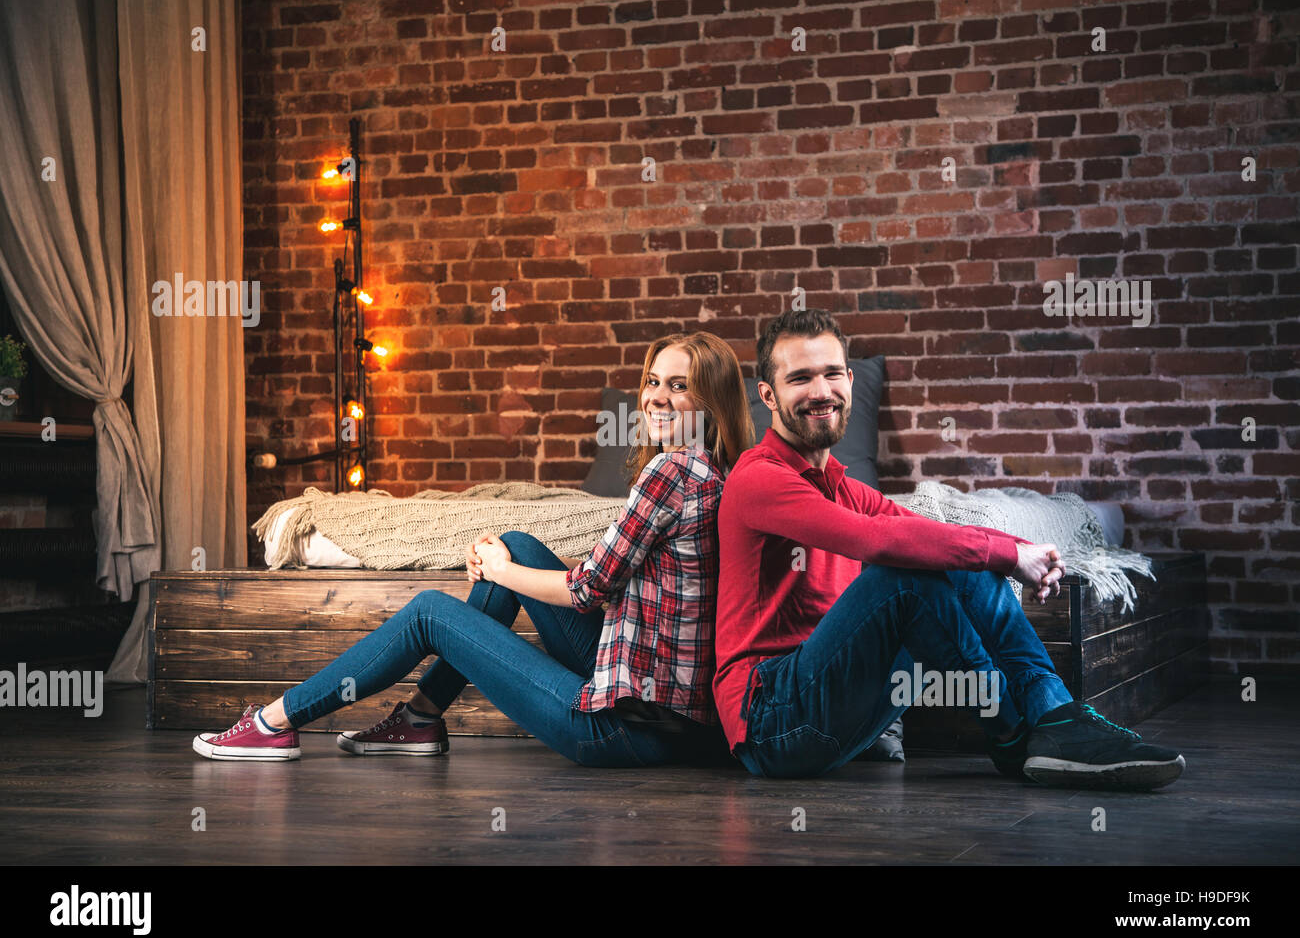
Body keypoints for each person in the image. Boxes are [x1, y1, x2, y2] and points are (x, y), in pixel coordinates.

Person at [194, 331, 754, 768]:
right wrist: (506, 560)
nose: (657, 397)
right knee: (514, 541)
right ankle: (419, 718)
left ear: (711, 399)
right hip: (670, 716)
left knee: (431, 612)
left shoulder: (671, 469)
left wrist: (499, 572)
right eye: (654, 382)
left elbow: (585, 590)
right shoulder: (717, 470)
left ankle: (273, 722)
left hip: (619, 728)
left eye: (678, 387)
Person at [713, 309, 1186, 790]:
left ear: (850, 380)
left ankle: (1057, 716)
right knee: (904, 574)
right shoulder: (758, 478)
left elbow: (926, 529)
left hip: (836, 711)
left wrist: (1024, 549)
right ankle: (1014, 735)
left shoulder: (844, 488)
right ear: (768, 395)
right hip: (772, 722)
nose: (820, 391)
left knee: (946, 551)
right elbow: (876, 539)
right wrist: (1007, 558)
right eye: (800, 378)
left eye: (832, 373)